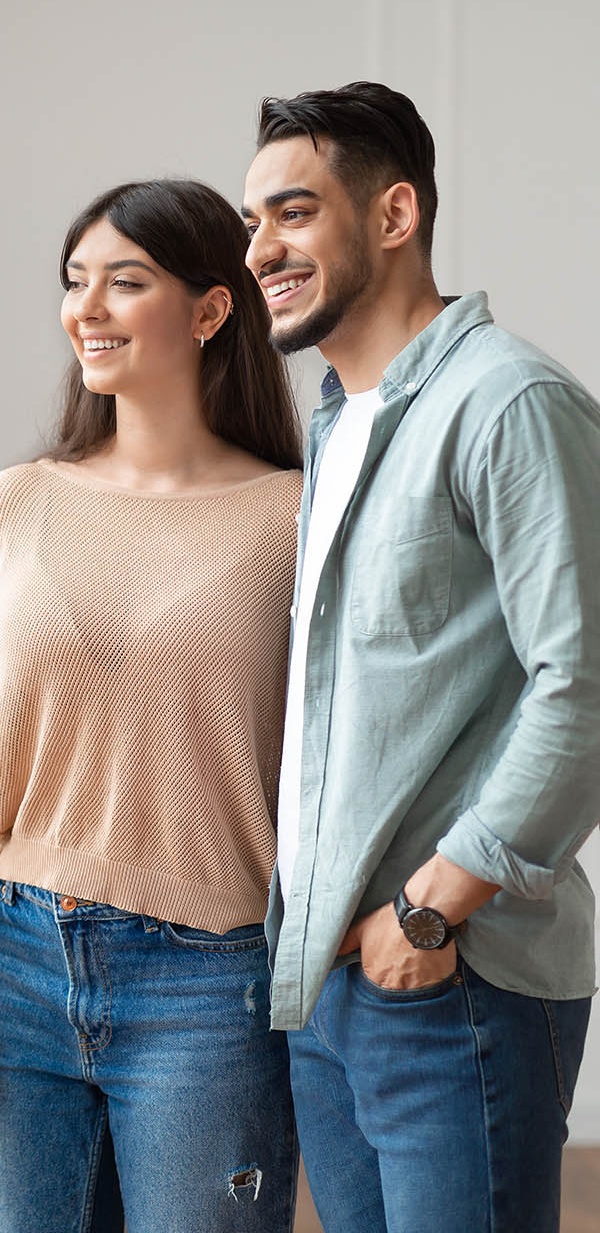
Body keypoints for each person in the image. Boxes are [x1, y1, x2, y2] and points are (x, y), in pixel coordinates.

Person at [0, 178, 304, 1230]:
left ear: (212, 309)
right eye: (75, 281)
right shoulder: (15, 502)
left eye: (125, 281)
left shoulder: (296, 518)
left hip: (212, 986)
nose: (86, 307)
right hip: (15, 957)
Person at [241, 81, 600, 1230]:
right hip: (333, 976)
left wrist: (438, 905)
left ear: (394, 216)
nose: (260, 251)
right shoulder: (337, 424)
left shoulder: (508, 401)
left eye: (292, 214)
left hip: (454, 974)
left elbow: (585, 677)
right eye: (253, 223)